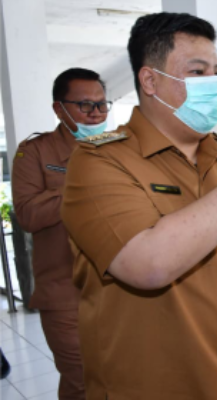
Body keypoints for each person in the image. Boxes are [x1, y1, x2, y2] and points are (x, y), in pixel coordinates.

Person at [59, 12, 217, 399]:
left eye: (216, 72)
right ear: (150, 81)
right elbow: (148, 264)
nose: (213, 84)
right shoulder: (98, 162)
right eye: (197, 72)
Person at [11, 67, 111, 400]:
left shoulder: (119, 148)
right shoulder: (35, 152)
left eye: (101, 104)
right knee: (83, 383)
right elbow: (27, 215)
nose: (96, 113)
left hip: (121, 289)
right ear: (59, 108)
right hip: (67, 295)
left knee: (124, 379)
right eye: (85, 105)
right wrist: (81, 181)